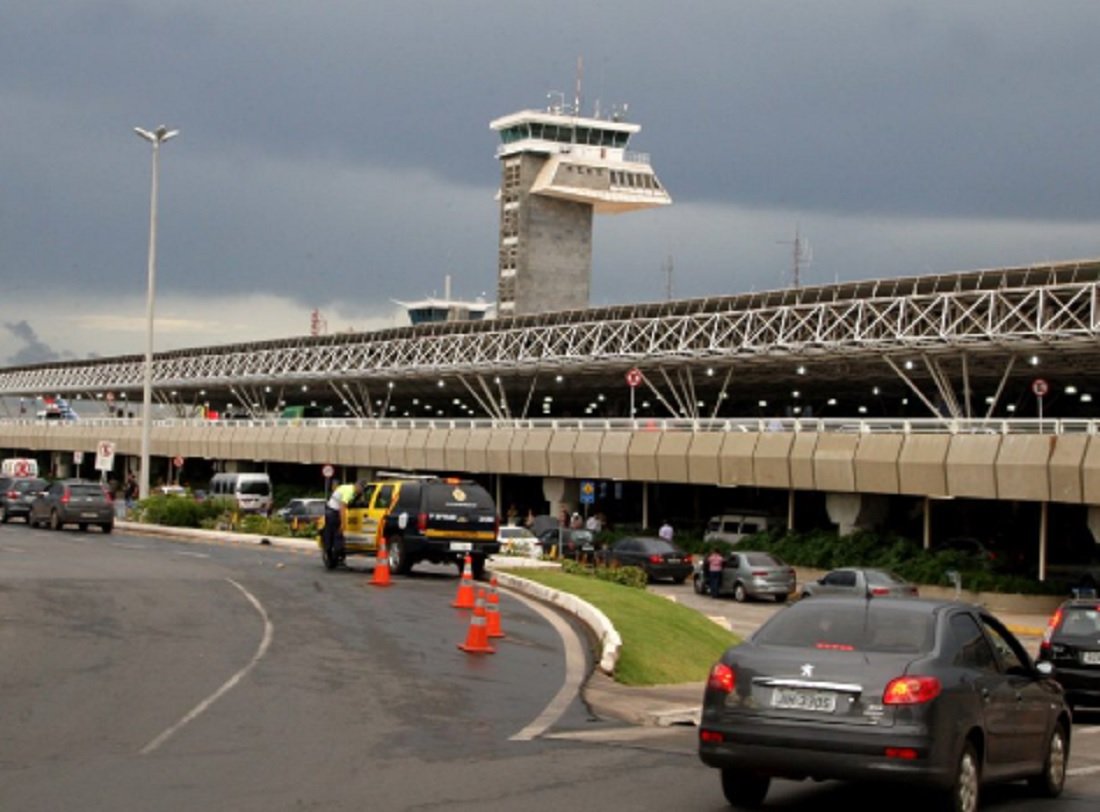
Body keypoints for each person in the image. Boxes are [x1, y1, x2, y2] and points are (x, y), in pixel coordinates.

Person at [322, 480, 364, 568]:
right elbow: (342, 507)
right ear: (358, 486)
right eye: (361, 489)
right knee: (338, 538)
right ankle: (333, 559)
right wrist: (343, 523)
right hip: (334, 513)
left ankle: (330, 556)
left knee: (329, 536)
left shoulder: (347, 487)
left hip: (329, 511)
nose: (361, 492)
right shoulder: (350, 492)